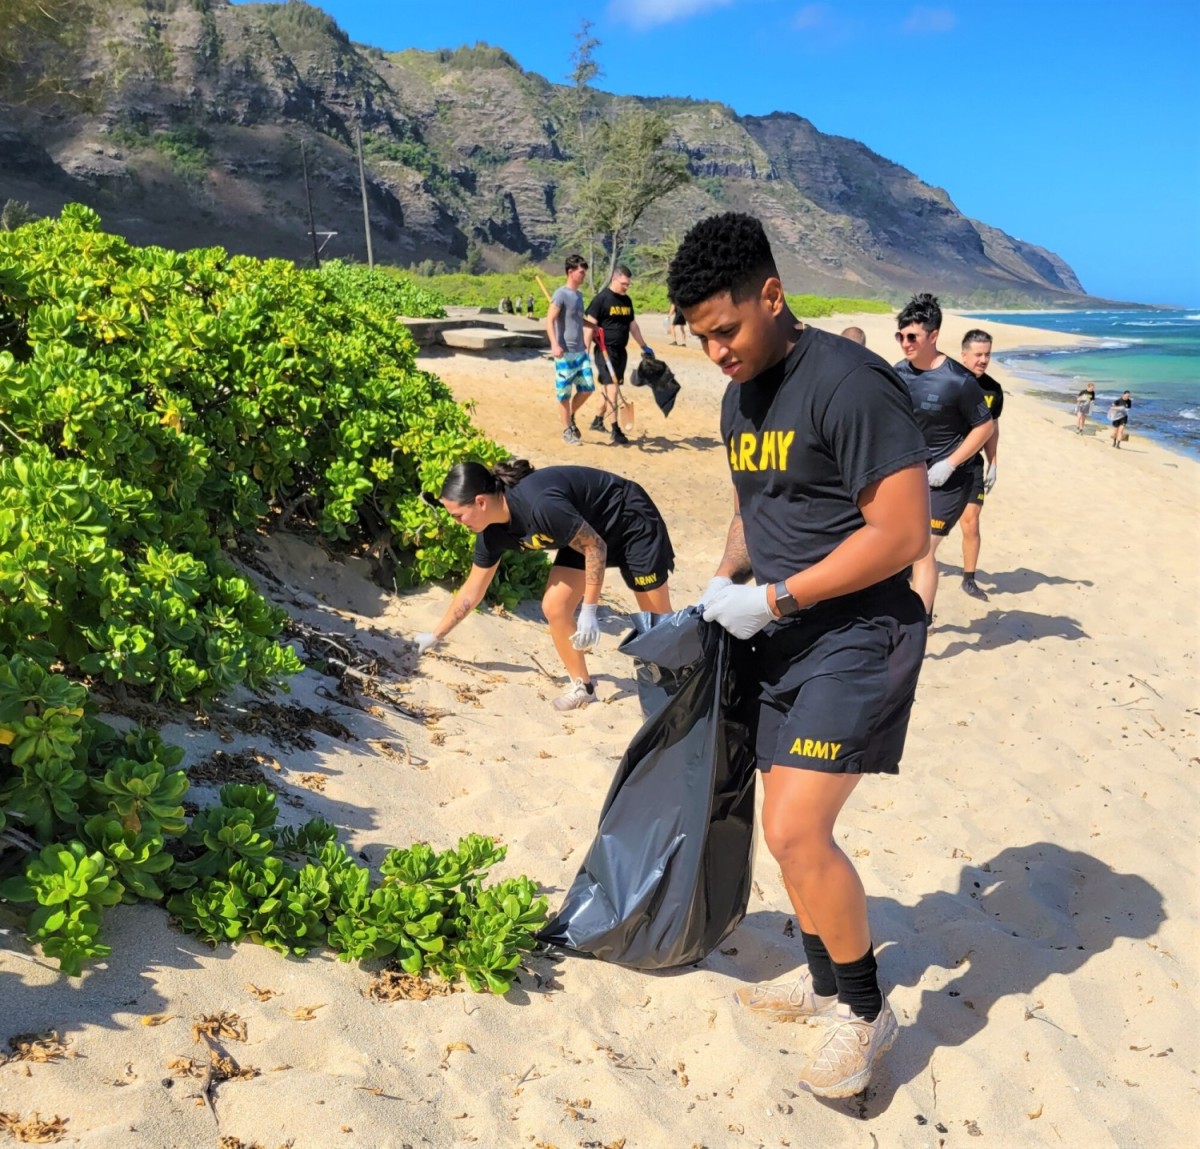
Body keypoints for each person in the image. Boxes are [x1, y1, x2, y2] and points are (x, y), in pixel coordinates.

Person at [668, 213, 930, 1099]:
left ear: (772, 295)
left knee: (795, 827)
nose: (715, 352)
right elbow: (759, 502)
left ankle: (864, 1015)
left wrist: (775, 596)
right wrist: (721, 579)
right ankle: (823, 987)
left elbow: (899, 533)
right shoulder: (738, 394)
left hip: (861, 633)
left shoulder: (852, 385)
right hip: (780, 634)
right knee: (788, 832)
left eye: (726, 330)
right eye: (700, 337)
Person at [414, 460, 674, 711]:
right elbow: (472, 590)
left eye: (458, 515)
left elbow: (596, 546)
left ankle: (681, 679)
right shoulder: (491, 534)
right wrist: (436, 636)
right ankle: (583, 687)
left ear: (480, 502)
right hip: (582, 530)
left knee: (656, 619)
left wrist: (589, 610)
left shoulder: (540, 505)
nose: (457, 523)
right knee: (555, 605)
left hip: (627, 520)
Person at [892, 293, 994, 623]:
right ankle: (918, 614)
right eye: (900, 336)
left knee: (923, 550)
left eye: (912, 337)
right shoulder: (898, 374)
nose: (905, 343)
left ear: (933, 336)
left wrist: (949, 464)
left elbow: (986, 426)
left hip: (950, 481)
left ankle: (919, 624)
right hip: (910, 474)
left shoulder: (958, 381)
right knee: (903, 551)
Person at [956, 329, 1003, 602]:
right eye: (978, 354)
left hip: (973, 464)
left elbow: (992, 429)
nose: (983, 360)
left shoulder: (993, 390)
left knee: (971, 523)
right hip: (940, 462)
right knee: (928, 527)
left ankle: (969, 579)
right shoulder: (949, 380)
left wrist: (993, 462)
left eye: (987, 354)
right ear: (964, 355)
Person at [585, 264, 654, 447]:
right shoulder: (601, 300)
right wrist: (585, 351)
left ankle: (597, 421)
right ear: (615, 279)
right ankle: (616, 430)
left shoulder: (627, 301)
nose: (626, 287)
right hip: (604, 350)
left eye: (628, 284)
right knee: (613, 388)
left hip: (620, 352)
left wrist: (644, 346)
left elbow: (633, 326)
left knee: (608, 389)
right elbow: (589, 326)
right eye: (624, 284)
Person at [545, 255, 596, 446]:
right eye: (581, 272)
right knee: (564, 393)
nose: (583, 275)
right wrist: (554, 344)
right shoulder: (560, 294)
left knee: (587, 388)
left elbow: (577, 319)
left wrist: (593, 326)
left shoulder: (579, 296)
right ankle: (567, 430)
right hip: (564, 352)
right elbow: (549, 320)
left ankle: (570, 416)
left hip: (581, 351)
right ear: (570, 272)